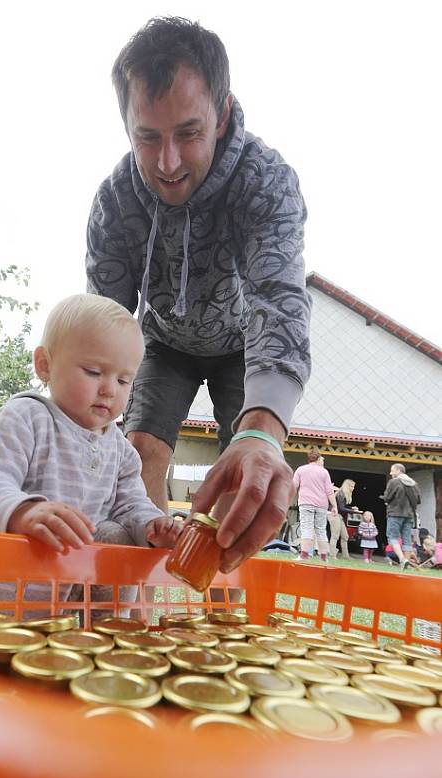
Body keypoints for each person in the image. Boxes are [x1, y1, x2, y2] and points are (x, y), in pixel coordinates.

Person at [86, 16, 311, 575]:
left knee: (244, 476)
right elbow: (105, 325)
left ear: (223, 114)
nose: (167, 163)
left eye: (188, 133)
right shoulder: (116, 202)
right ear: (127, 127)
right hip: (163, 343)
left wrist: (261, 434)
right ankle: (134, 605)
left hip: (244, 344)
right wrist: (84, 432)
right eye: (147, 137)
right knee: (138, 454)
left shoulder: (266, 180)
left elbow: (276, 299)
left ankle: (224, 616)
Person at [0, 294, 181, 610]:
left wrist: (154, 526)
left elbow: (131, 504)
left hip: (56, 607)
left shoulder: (122, 450)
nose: (109, 389)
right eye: (93, 371)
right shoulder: (26, 417)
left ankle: (107, 629)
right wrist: (22, 512)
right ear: (45, 365)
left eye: (124, 380)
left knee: (116, 532)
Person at [292, 447, 337, 562]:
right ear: (318, 459)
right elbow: (329, 491)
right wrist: (334, 506)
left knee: (306, 528)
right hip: (322, 505)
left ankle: (304, 555)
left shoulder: (300, 470)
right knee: (321, 530)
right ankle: (324, 557)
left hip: (306, 503)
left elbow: (293, 486)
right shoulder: (324, 472)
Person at [381, 463, 421, 570]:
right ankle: (405, 565)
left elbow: (387, 497)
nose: (390, 473)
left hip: (395, 513)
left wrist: (384, 499)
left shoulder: (394, 482)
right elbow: (418, 500)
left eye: (392, 470)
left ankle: (403, 559)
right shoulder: (414, 483)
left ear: (398, 470)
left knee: (392, 537)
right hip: (409, 515)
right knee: (407, 539)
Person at [329, 479, 358, 559]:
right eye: (351, 486)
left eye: (353, 487)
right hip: (334, 515)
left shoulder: (343, 494)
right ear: (347, 486)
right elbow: (341, 508)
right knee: (335, 536)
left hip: (339, 516)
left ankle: (346, 556)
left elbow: (342, 507)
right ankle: (333, 555)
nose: (353, 488)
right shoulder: (341, 493)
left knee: (345, 536)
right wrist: (352, 510)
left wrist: (352, 508)